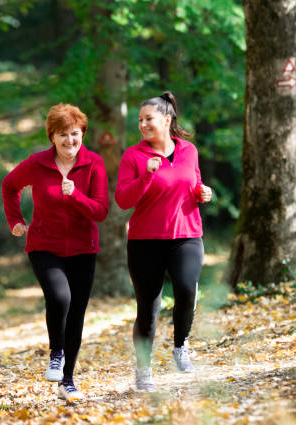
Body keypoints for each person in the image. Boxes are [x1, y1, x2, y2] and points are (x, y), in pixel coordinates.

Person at [2, 103, 109, 401]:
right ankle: (56, 352)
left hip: (83, 248)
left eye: (75, 134)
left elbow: (101, 212)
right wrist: (16, 221)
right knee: (60, 297)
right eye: (62, 134)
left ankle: (68, 380)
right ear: (51, 137)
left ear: (82, 134)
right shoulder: (36, 164)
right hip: (44, 245)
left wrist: (75, 196)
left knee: (77, 313)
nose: (69, 141)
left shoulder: (94, 164)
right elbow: (10, 186)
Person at [115, 91, 212, 391]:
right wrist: (145, 176)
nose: (143, 124)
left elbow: (194, 183)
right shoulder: (134, 156)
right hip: (146, 240)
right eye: (140, 120)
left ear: (167, 120)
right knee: (148, 308)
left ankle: (181, 345)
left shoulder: (189, 151)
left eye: (149, 119)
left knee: (186, 289)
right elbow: (122, 199)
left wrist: (202, 192)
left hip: (186, 234)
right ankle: (143, 370)